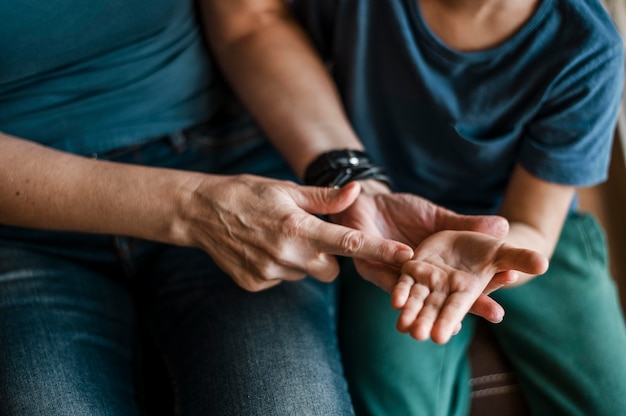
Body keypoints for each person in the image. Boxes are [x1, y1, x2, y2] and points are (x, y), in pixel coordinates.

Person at [0, 0, 545, 415]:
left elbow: (252, 18)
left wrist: (355, 181)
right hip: (29, 219)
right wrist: (191, 207)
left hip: (237, 168)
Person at [293, 0, 626, 414]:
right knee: (391, 399)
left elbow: (533, 223)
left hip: (527, 231)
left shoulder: (587, 46)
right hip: (384, 223)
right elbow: (267, 32)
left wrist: (492, 254)